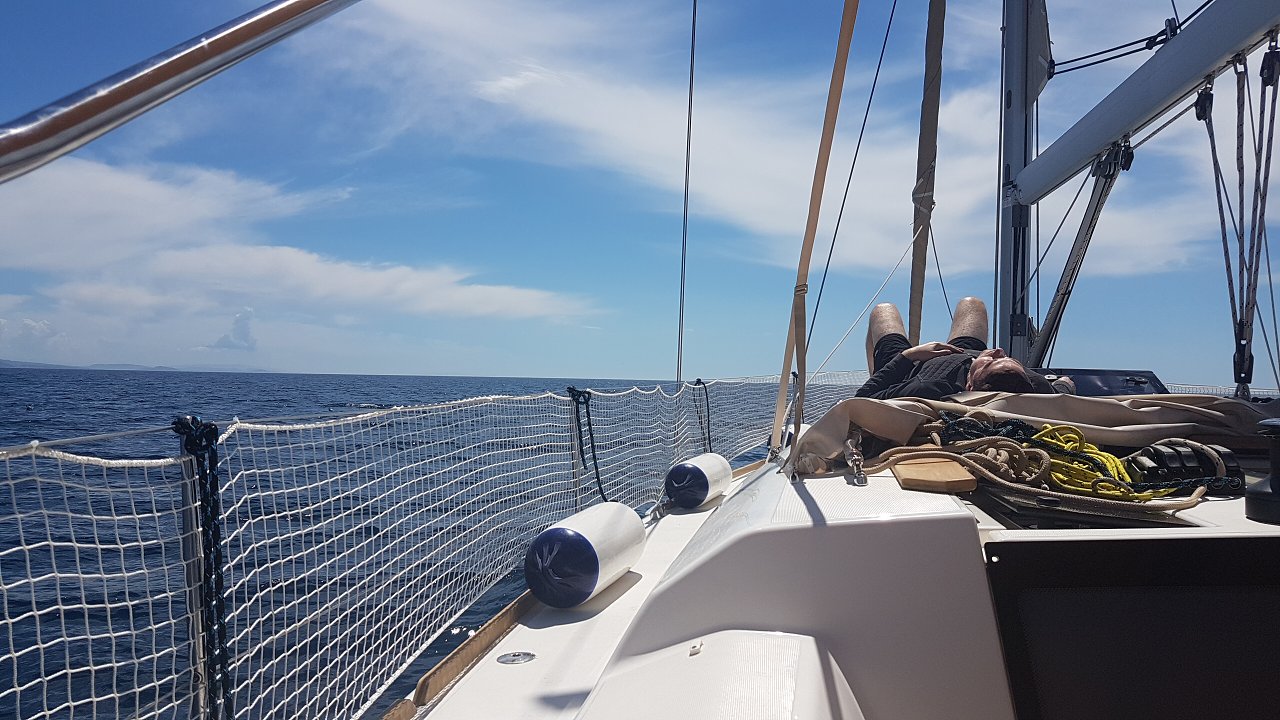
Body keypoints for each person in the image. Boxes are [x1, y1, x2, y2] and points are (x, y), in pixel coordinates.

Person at [855, 297, 1073, 400]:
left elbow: (864, 398)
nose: (998, 351)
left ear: (970, 386)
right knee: (972, 304)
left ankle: (879, 372)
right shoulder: (1035, 386)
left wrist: (909, 355)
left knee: (883, 310)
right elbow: (1062, 392)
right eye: (1008, 358)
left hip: (912, 368)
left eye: (992, 362)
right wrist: (1064, 384)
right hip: (964, 355)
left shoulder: (927, 387)